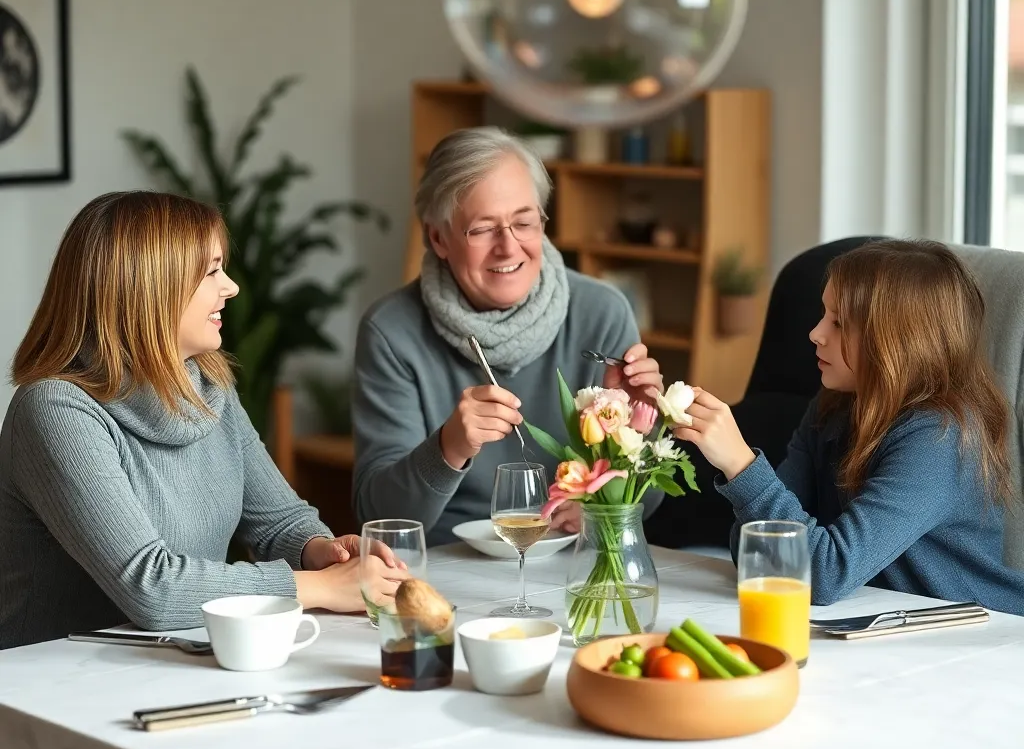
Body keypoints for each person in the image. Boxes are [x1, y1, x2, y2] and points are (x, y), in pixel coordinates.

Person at [0, 192, 408, 749]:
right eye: (211, 271)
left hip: (178, 678)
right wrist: (322, 586)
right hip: (59, 721)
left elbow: (277, 517)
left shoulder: (206, 384)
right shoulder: (55, 411)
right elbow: (152, 588)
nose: (233, 287)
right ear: (148, 289)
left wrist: (319, 549)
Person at [673, 239, 1024, 614]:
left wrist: (740, 466)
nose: (816, 333)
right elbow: (757, 557)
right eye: (824, 314)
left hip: (982, 639)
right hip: (882, 621)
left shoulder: (942, 436)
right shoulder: (831, 407)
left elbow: (826, 573)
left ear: (899, 341)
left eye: (839, 323)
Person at [353, 127, 666, 545]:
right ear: (438, 238)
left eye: (524, 222)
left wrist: (641, 435)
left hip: (575, 558)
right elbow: (379, 517)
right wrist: (449, 447)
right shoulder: (391, 332)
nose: (508, 247)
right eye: (483, 229)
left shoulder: (602, 312)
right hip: (447, 567)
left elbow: (652, 499)